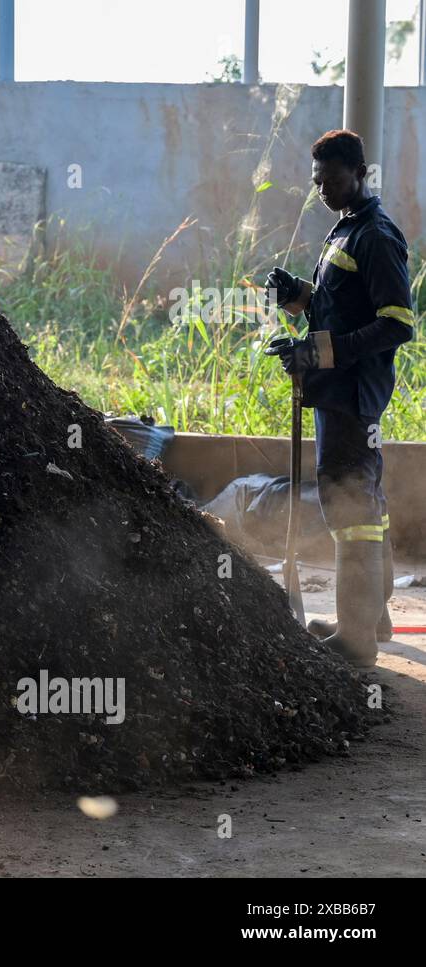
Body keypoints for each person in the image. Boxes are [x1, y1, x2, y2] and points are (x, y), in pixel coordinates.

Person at [264, 129, 413, 668]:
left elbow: (397, 324)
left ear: (359, 172)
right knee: (364, 501)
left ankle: (356, 641)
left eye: (332, 179)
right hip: (337, 394)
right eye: (317, 181)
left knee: (352, 509)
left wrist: (316, 354)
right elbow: (339, 307)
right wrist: (299, 295)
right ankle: (371, 619)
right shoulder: (342, 231)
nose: (323, 189)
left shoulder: (376, 236)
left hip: (354, 396)